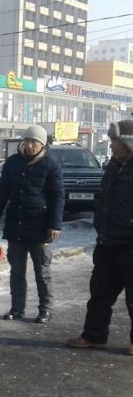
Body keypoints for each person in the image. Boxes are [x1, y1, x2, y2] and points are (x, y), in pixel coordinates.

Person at [67, 119, 133, 356]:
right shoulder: (113, 167)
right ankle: (94, 336)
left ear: (128, 143)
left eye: (115, 140)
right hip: (107, 241)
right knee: (99, 294)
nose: (111, 145)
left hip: (130, 244)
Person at [0, 124, 64, 323]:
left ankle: (45, 309)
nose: (30, 145)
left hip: (40, 227)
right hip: (16, 226)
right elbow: (3, 193)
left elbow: (58, 197)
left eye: (34, 142)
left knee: (42, 272)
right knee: (17, 272)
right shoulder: (12, 163)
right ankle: (17, 309)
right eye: (27, 141)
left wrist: (55, 224)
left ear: (42, 144)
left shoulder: (51, 165)